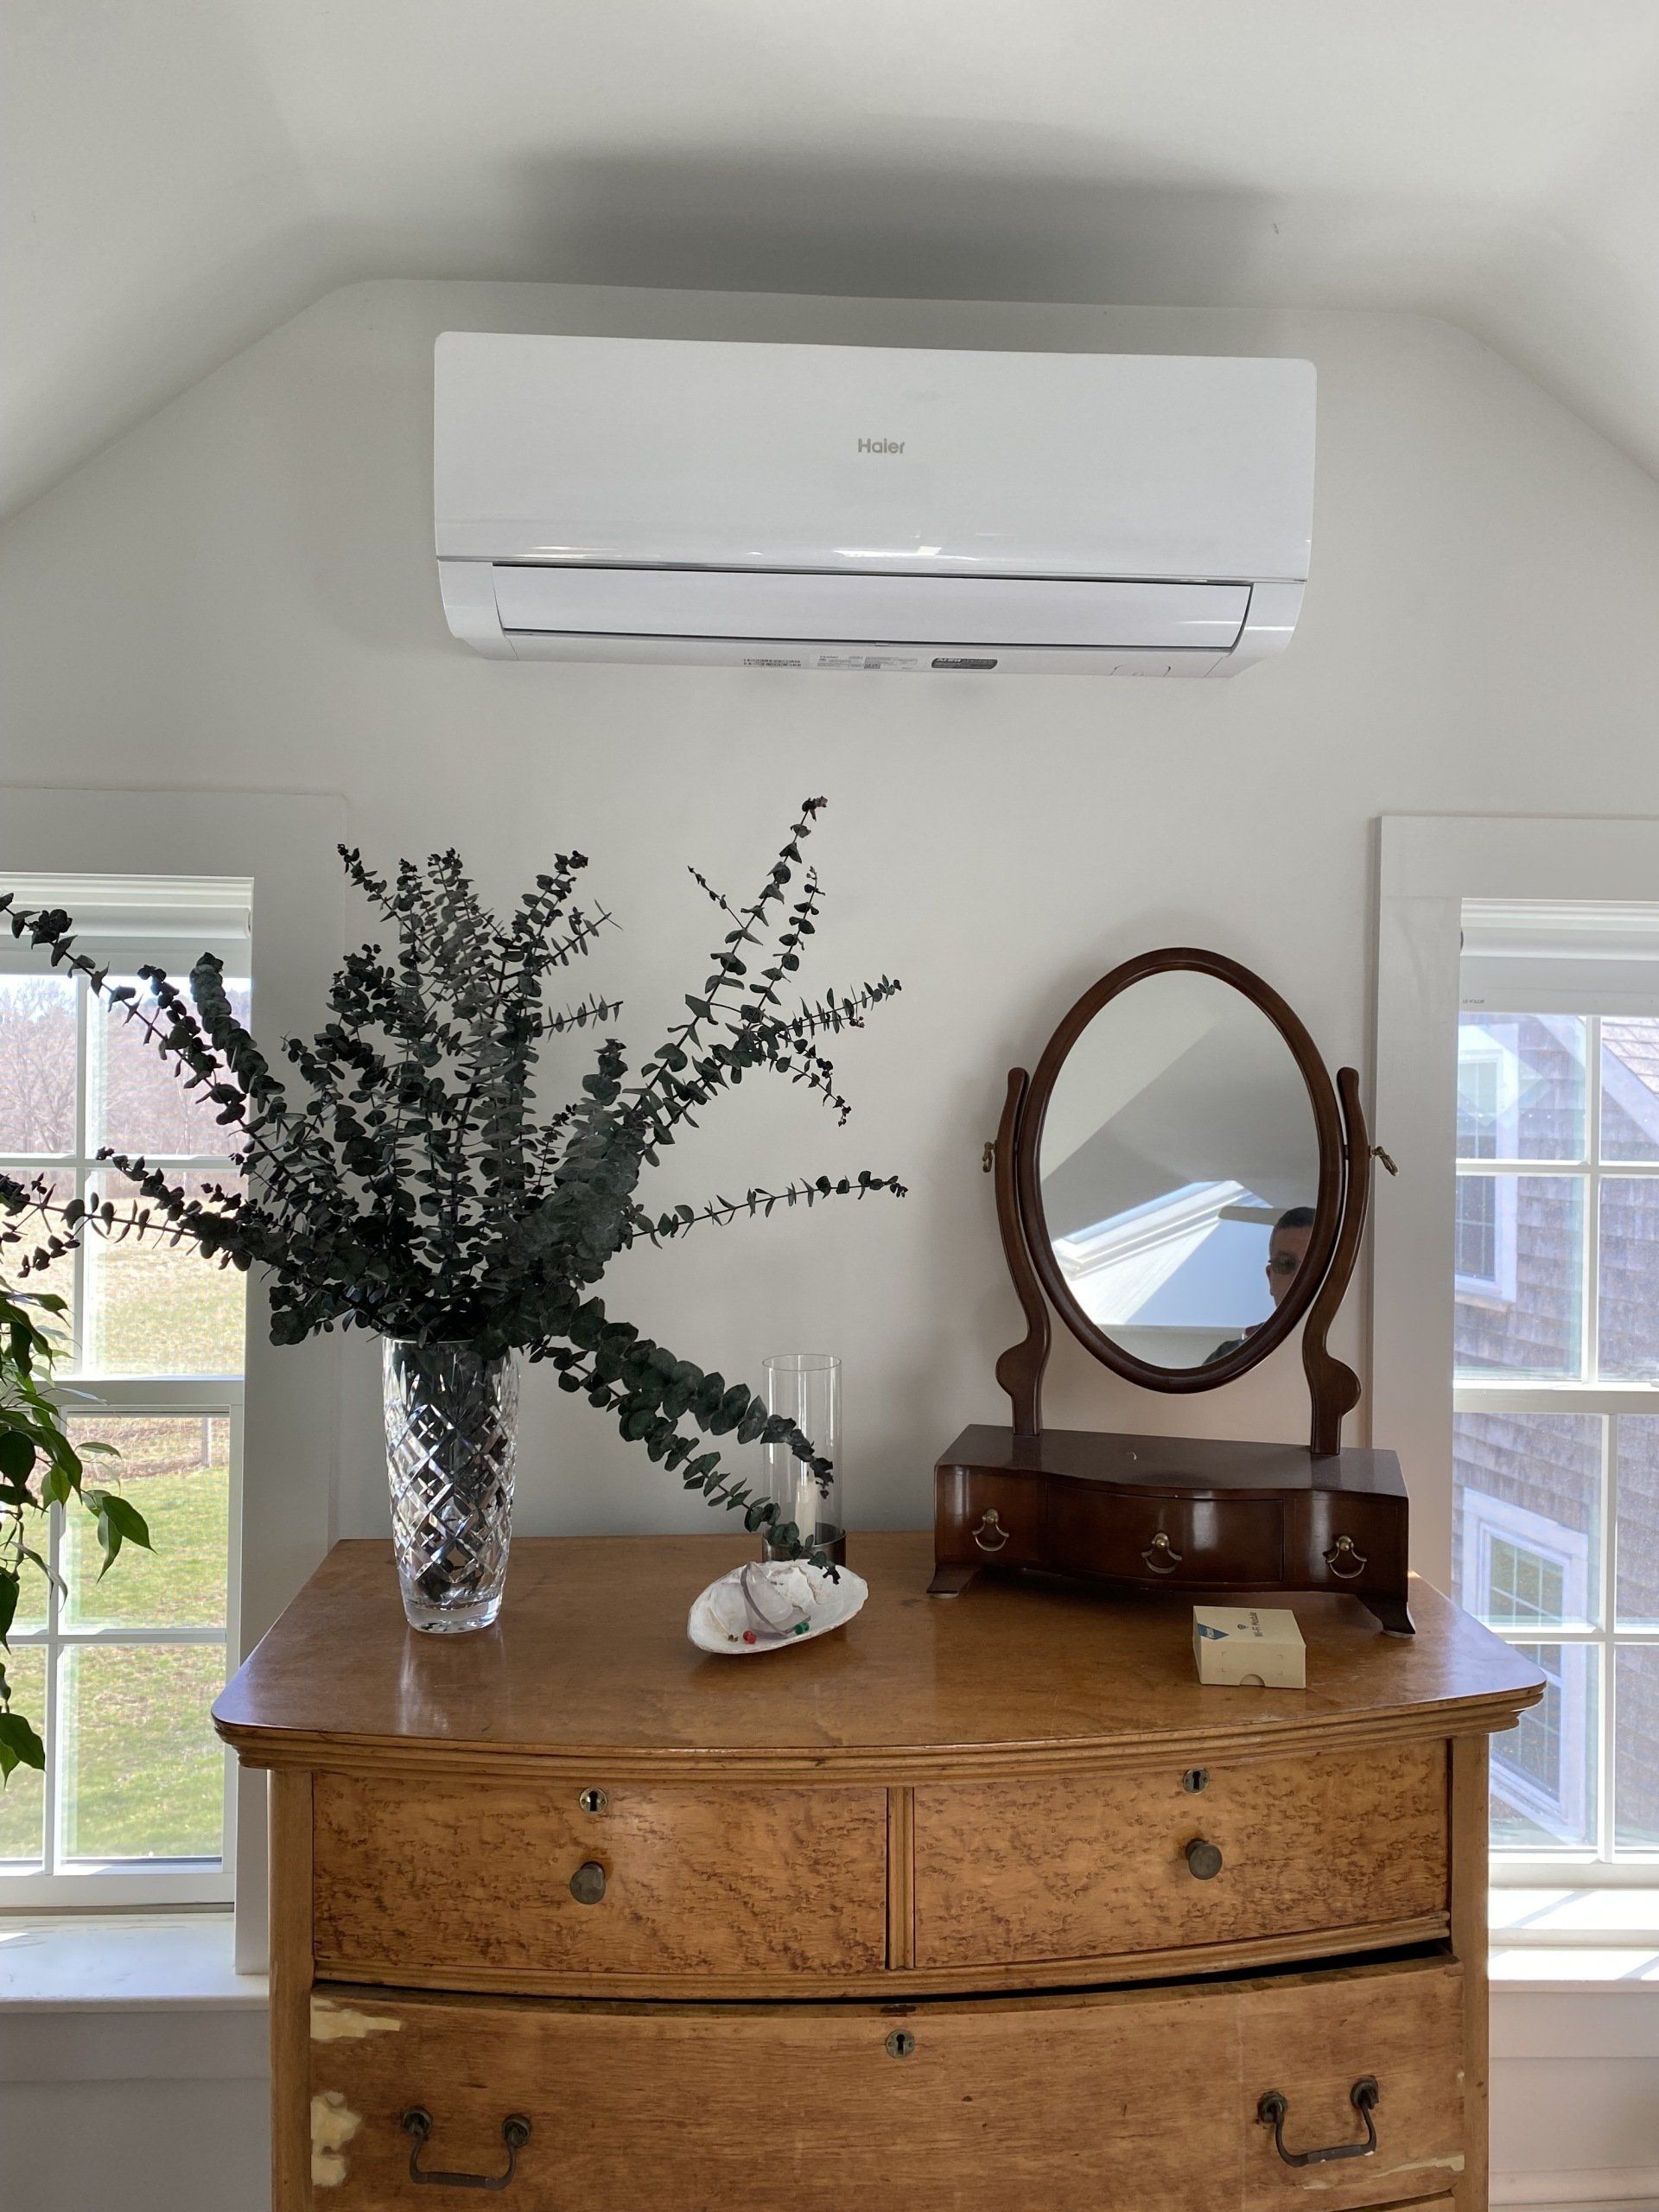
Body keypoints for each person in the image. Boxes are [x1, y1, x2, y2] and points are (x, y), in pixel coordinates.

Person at [1209, 1205, 1317, 1361]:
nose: (1299, 1278)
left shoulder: (1361, 1348)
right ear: (1270, 1277)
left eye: (1313, 1265)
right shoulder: (1227, 1359)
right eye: (1285, 1264)